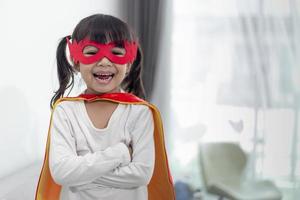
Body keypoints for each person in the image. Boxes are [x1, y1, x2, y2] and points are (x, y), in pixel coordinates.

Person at [35, 14, 175, 200]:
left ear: (129, 62)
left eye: (116, 53)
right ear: (76, 61)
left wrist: (80, 174)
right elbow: (61, 172)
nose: (104, 62)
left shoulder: (140, 112)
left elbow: (142, 174)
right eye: (92, 52)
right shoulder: (65, 112)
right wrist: (122, 153)